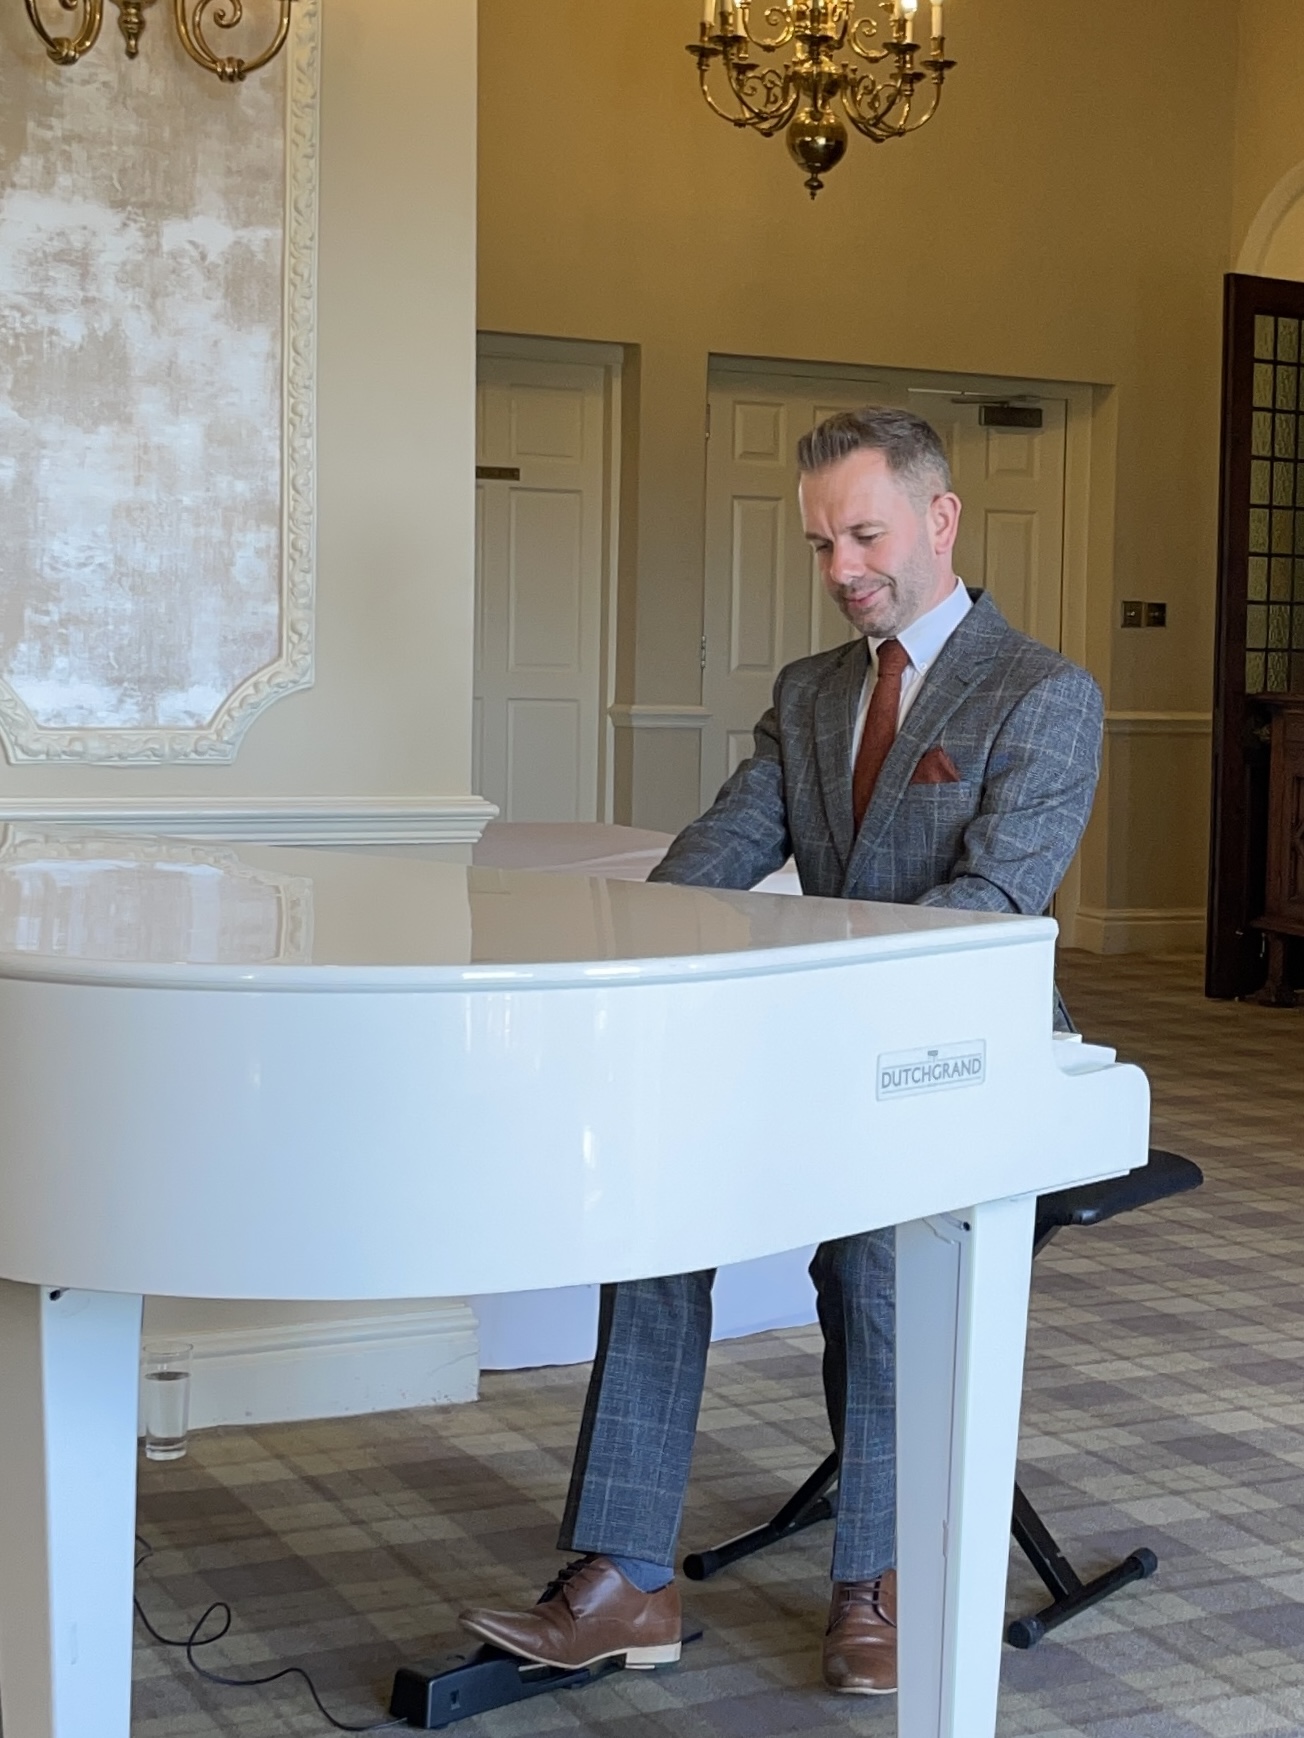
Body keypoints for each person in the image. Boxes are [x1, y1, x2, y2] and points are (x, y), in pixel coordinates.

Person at [458, 406, 1104, 1696]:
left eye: (865, 535)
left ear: (941, 519)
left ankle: (884, 1577)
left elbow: (990, 906)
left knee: (875, 1259)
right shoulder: (811, 694)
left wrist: (812, 995)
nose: (841, 568)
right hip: (805, 1045)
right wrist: (613, 944)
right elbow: (718, 853)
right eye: (820, 544)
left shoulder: (1044, 693)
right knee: (656, 1229)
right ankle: (627, 1579)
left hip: (948, 1058)